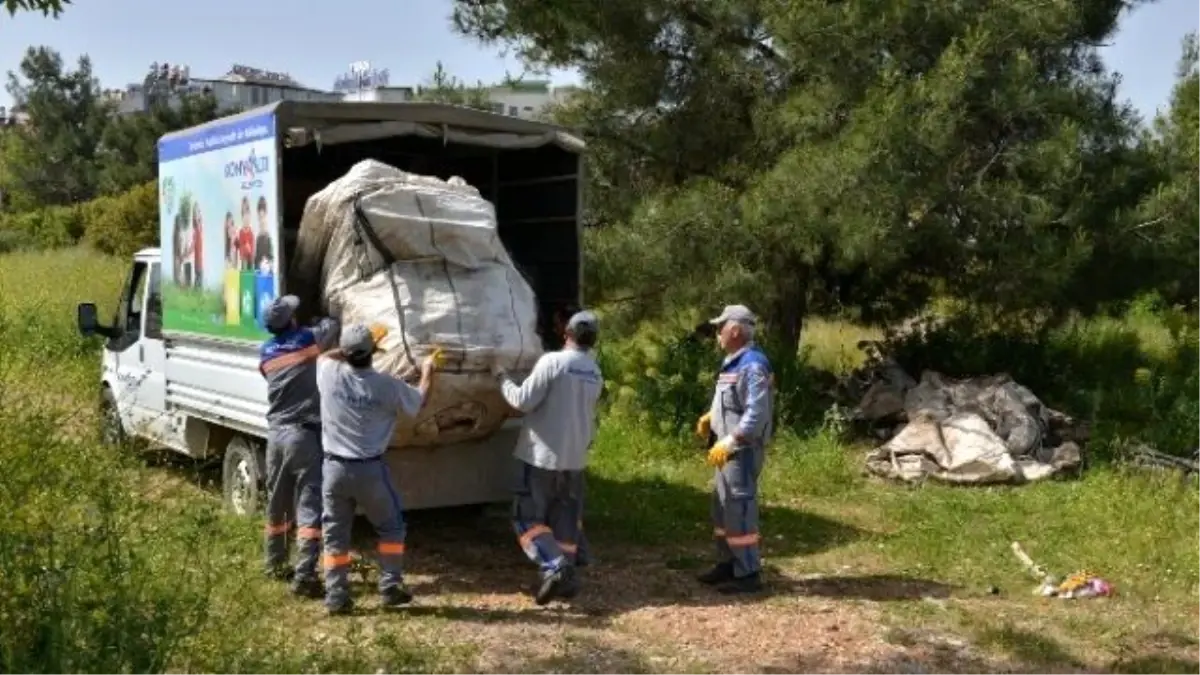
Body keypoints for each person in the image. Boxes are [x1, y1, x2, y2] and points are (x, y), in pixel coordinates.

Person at [316, 323, 440, 615]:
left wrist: (354, 346)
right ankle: (390, 586)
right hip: (370, 470)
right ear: (373, 352)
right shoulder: (388, 386)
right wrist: (428, 370)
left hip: (333, 470)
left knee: (335, 534)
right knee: (391, 527)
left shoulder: (327, 373)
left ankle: (336, 596)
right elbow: (418, 403)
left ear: (345, 354)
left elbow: (326, 355)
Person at [492, 310, 604, 605]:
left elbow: (522, 401)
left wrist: (501, 376)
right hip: (575, 460)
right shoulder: (594, 371)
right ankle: (566, 579)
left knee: (526, 518)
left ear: (566, 332)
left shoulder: (552, 362)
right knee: (564, 522)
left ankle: (555, 568)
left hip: (541, 457)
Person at [258, 295, 339, 598]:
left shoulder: (265, 351)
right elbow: (333, 326)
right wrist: (317, 321)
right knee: (309, 504)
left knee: (277, 501)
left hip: (275, 434)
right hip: (303, 435)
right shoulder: (306, 339)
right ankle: (305, 576)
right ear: (291, 320)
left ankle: (274, 563)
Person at [694, 304, 773, 594]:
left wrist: (730, 441)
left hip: (741, 450)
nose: (717, 334)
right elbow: (729, 403)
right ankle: (727, 563)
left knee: (739, 508)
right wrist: (710, 418)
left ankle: (748, 572)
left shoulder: (753, 364)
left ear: (736, 330)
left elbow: (756, 413)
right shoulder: (734, 362)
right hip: (725, 450)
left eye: (720, 328)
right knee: (722, 507)